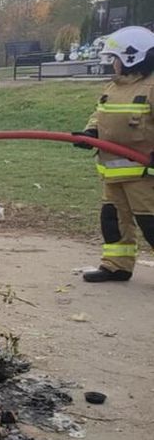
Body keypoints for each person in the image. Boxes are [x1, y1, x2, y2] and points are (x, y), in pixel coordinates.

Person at [72, 25, 154, 283]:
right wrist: (90, 133)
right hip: (111, 172)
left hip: (143, 175)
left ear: (133, 57)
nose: (113, 64)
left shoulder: (151, 87)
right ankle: (117, 265)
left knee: (151, 223)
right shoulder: (113, 87)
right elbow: (100, 115)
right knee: (113, 220)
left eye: (115, 59)